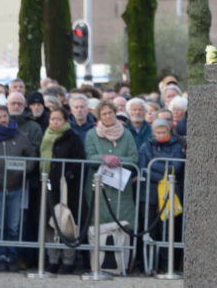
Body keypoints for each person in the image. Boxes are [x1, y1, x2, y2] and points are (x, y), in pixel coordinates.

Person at [0, 104, 37, 271]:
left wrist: (25, 171)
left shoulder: (20, 136)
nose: (3, 119)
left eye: (5, 116)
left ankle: (12, 256)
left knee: (14, 226)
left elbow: (32, 156)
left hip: (16, 187)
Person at [40, 106, 85, 274]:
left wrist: (69, 173)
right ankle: (52, 259)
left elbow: (79, 159)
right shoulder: (45, 136)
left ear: (65, 121)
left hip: (67, 187)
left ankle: (68, 259)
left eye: (59, 119)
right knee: (49, 224)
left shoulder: (73, 137)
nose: (55, 122)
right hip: (47, 186)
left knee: (67, 223)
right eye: (52, 119)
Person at [85, 100, 139, 235]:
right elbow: (89, 157)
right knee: (99, 226)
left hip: (121, 189)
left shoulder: (126, 134)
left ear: (115, 113)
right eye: (104, 114)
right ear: (99, 116)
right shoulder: (91, 134)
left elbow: (134, 158)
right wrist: (103, 159)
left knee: (123, 225)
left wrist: (118, 160)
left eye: (110, 113)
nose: (108, 116)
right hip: (98, 187)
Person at [138, 118, 186, 271]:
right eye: (157, 132)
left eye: (163, 131)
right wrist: (162, 175)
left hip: (169, 194)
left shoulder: (176, 147)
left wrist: (154, 163)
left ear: (169, 131)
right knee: (150, 230)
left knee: (167, 231)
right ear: (153, 132)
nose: (160, 135)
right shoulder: (146, 146)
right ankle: (149, 265)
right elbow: (143, 168)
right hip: (149, 193)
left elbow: (176, 167)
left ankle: (166, 266)